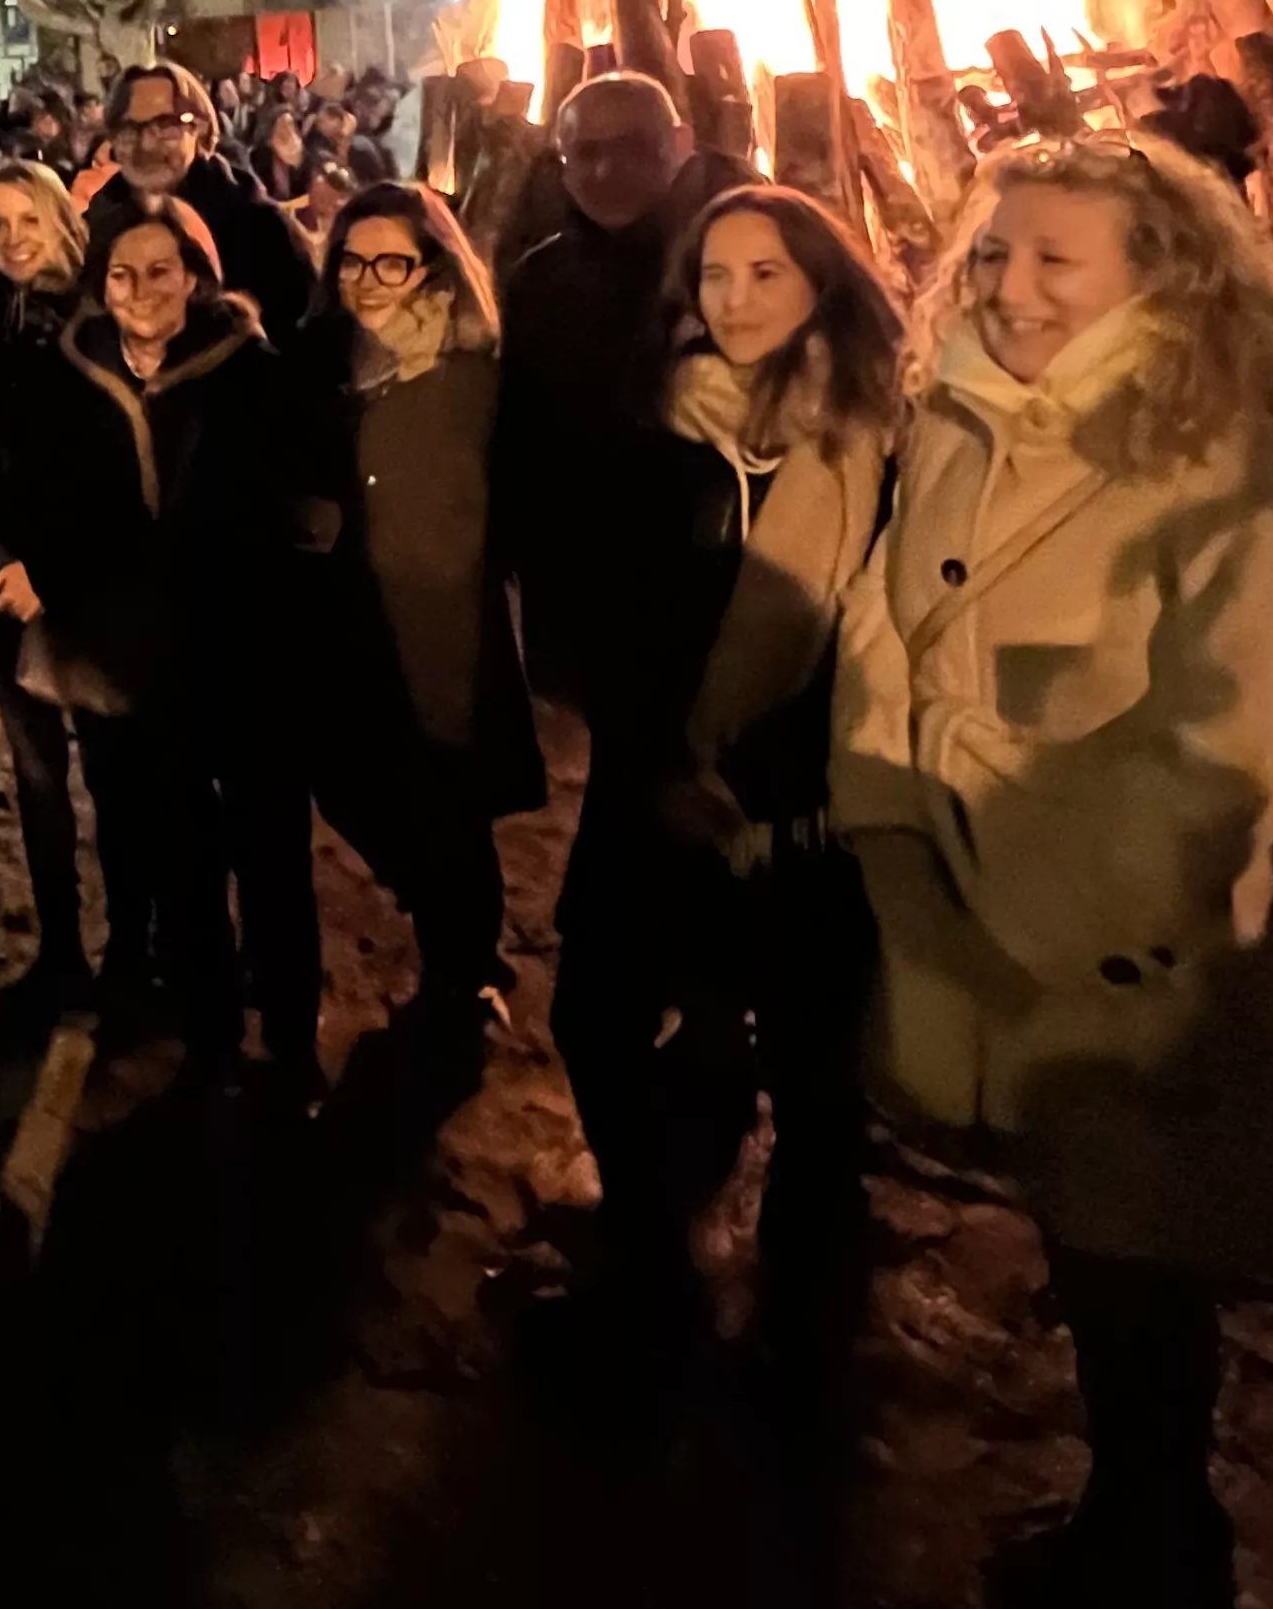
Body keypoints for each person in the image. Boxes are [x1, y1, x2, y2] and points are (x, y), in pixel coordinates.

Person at [832, 135, 1273, 1609]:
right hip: (990, 921)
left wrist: (1038, 870)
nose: (1007, 286)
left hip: (1131, 953)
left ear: (1163, 277)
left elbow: (1229, 748)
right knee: (1096, 1261)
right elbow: (887, 622)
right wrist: (893, 802)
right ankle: (1125, 1537)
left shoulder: (1239, 456)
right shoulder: (965, 415)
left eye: (1053, 259)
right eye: (993, 255)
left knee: (1148, 1283)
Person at [554, 184, 900, 1366]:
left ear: (821, 287)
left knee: (814, 1064)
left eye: (767, 274)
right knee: (595, 1011)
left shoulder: (876, 440)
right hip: (659, 783)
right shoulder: (651, 428)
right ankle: (648, 1255)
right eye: (717, 275)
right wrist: (657, 752)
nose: (738, 298)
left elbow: (896, 633)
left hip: (809, 807)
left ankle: (809, 1293)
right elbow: (603, 611)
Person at [3, 195, 305, 1076]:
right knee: (182, 853)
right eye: (123, 274)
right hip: (136, 655)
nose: (141, 290)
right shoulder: (72, 373)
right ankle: (207, 1030)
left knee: (269, 853)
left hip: (239, 646)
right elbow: (52, 500)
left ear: (196, 277)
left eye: (161, 271)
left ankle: (289, 1038)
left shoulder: (249, 369)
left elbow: (276, 505)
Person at [291, 183, 538, 1034]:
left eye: (390, 262)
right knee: (354, 790)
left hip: (444, 627)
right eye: (352, 261)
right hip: (351, 620)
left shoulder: (476, 371)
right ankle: (448, 929)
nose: (367, 280)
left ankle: (462, 972)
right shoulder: (325, 359)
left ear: (433, 265)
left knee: (451, 810)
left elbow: (519, 496)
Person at [493, 72, 747, 776]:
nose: (607, 170)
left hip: (700, 593)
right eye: (587, 152)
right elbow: (518, 433)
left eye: (633, 147)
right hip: (583, 592)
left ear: (680, 145)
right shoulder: (540, 279)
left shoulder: (728, 272)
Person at [0, 158, 93, 996]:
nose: (12, 240)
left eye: (27, 220)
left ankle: (145, 948)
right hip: (3, 582)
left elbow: (101, 470)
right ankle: (63, 949)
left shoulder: (95, 318)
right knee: (39, 779)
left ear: (58, 223)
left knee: (117, 774)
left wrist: (52, 568)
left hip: (84, 586)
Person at [86, 61, 317, 344]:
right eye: (128, 130)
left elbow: (302, 340)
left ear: (200, 129)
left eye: (165, 126)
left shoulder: (257, 227)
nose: (146, 145)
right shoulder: (96, 225)